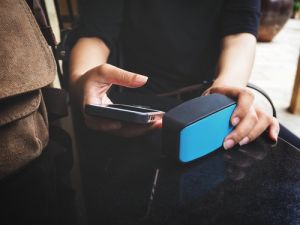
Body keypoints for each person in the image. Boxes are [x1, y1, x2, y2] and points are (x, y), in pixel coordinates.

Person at [68, 0, 280, 150]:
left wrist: (221, 95)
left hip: (206, 97)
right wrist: (81, 81)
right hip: (135, 102)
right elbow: (95, 34)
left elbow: (240, 34)